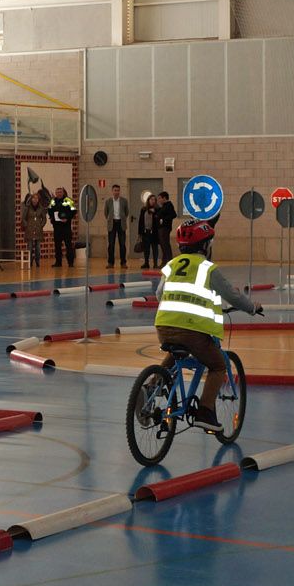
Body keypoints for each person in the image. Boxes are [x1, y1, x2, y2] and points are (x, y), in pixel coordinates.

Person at [155, 215, 263, 435]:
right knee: (217, 366)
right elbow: (232, 296)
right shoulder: (207, 268)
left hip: (163, 326)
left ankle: (149, 388)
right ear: (204, 245)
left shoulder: (171, 265)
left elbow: (159, 294)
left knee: (176, 355)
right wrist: (252, 307)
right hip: (192, 331)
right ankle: (204, 412)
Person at [49, 186, 78, 267]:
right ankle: (58, 262)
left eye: (60, 192)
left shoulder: (68, 200)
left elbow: (74, 211)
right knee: (57, 246)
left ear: (63, 192)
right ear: (55, 193)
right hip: (57, 227)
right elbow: (49, 210)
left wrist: (67, 218)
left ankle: (70, 263)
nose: (59, 194)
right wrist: (52, 218)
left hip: (66, 227)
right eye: (57, 192)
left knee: (68, 245)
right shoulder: (53, 201)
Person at [103, 184, 129, 270]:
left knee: (122, 244)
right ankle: (110, 262)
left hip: (121, 224)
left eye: (118, 190)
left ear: (119, 191)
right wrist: (110, 219)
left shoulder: (124, 201)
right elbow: (106, 213)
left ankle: (123, 262)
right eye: (115, 190)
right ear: (112, 191)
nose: (116, 192)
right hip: (112, 224)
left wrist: (122, 218)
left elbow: (127, 212)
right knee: (111, 244)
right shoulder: (108, 201)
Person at [22, 187, 47, 267]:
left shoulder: (41, 208)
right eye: (33, 198)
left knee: (38, 247)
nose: (35, 200)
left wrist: (41, 225)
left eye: (36, 198)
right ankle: (30, 261)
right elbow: (23, 218)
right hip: (29, 229)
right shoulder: (27, 208)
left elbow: (44, 218)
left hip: (38, 229)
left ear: (38, 199)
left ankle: (37, 261)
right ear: (31, 199)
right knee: (29, 247)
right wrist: (26, 225)